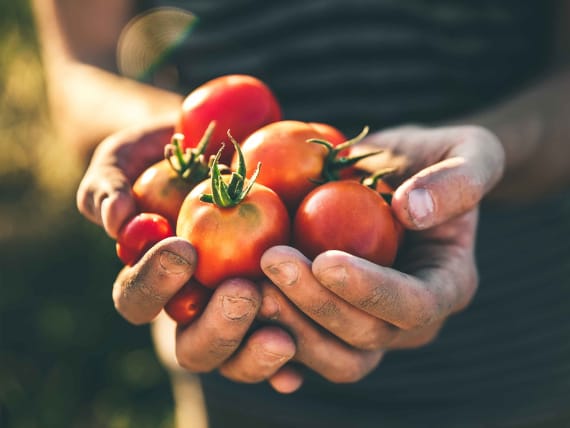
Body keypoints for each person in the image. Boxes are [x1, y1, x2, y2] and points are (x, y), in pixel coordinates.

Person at [33, 0, 570, 427]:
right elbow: (81, 68)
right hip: (242, 382)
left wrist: (487, 158)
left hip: (524, 363)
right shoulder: (246, 188)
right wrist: (186, 141)